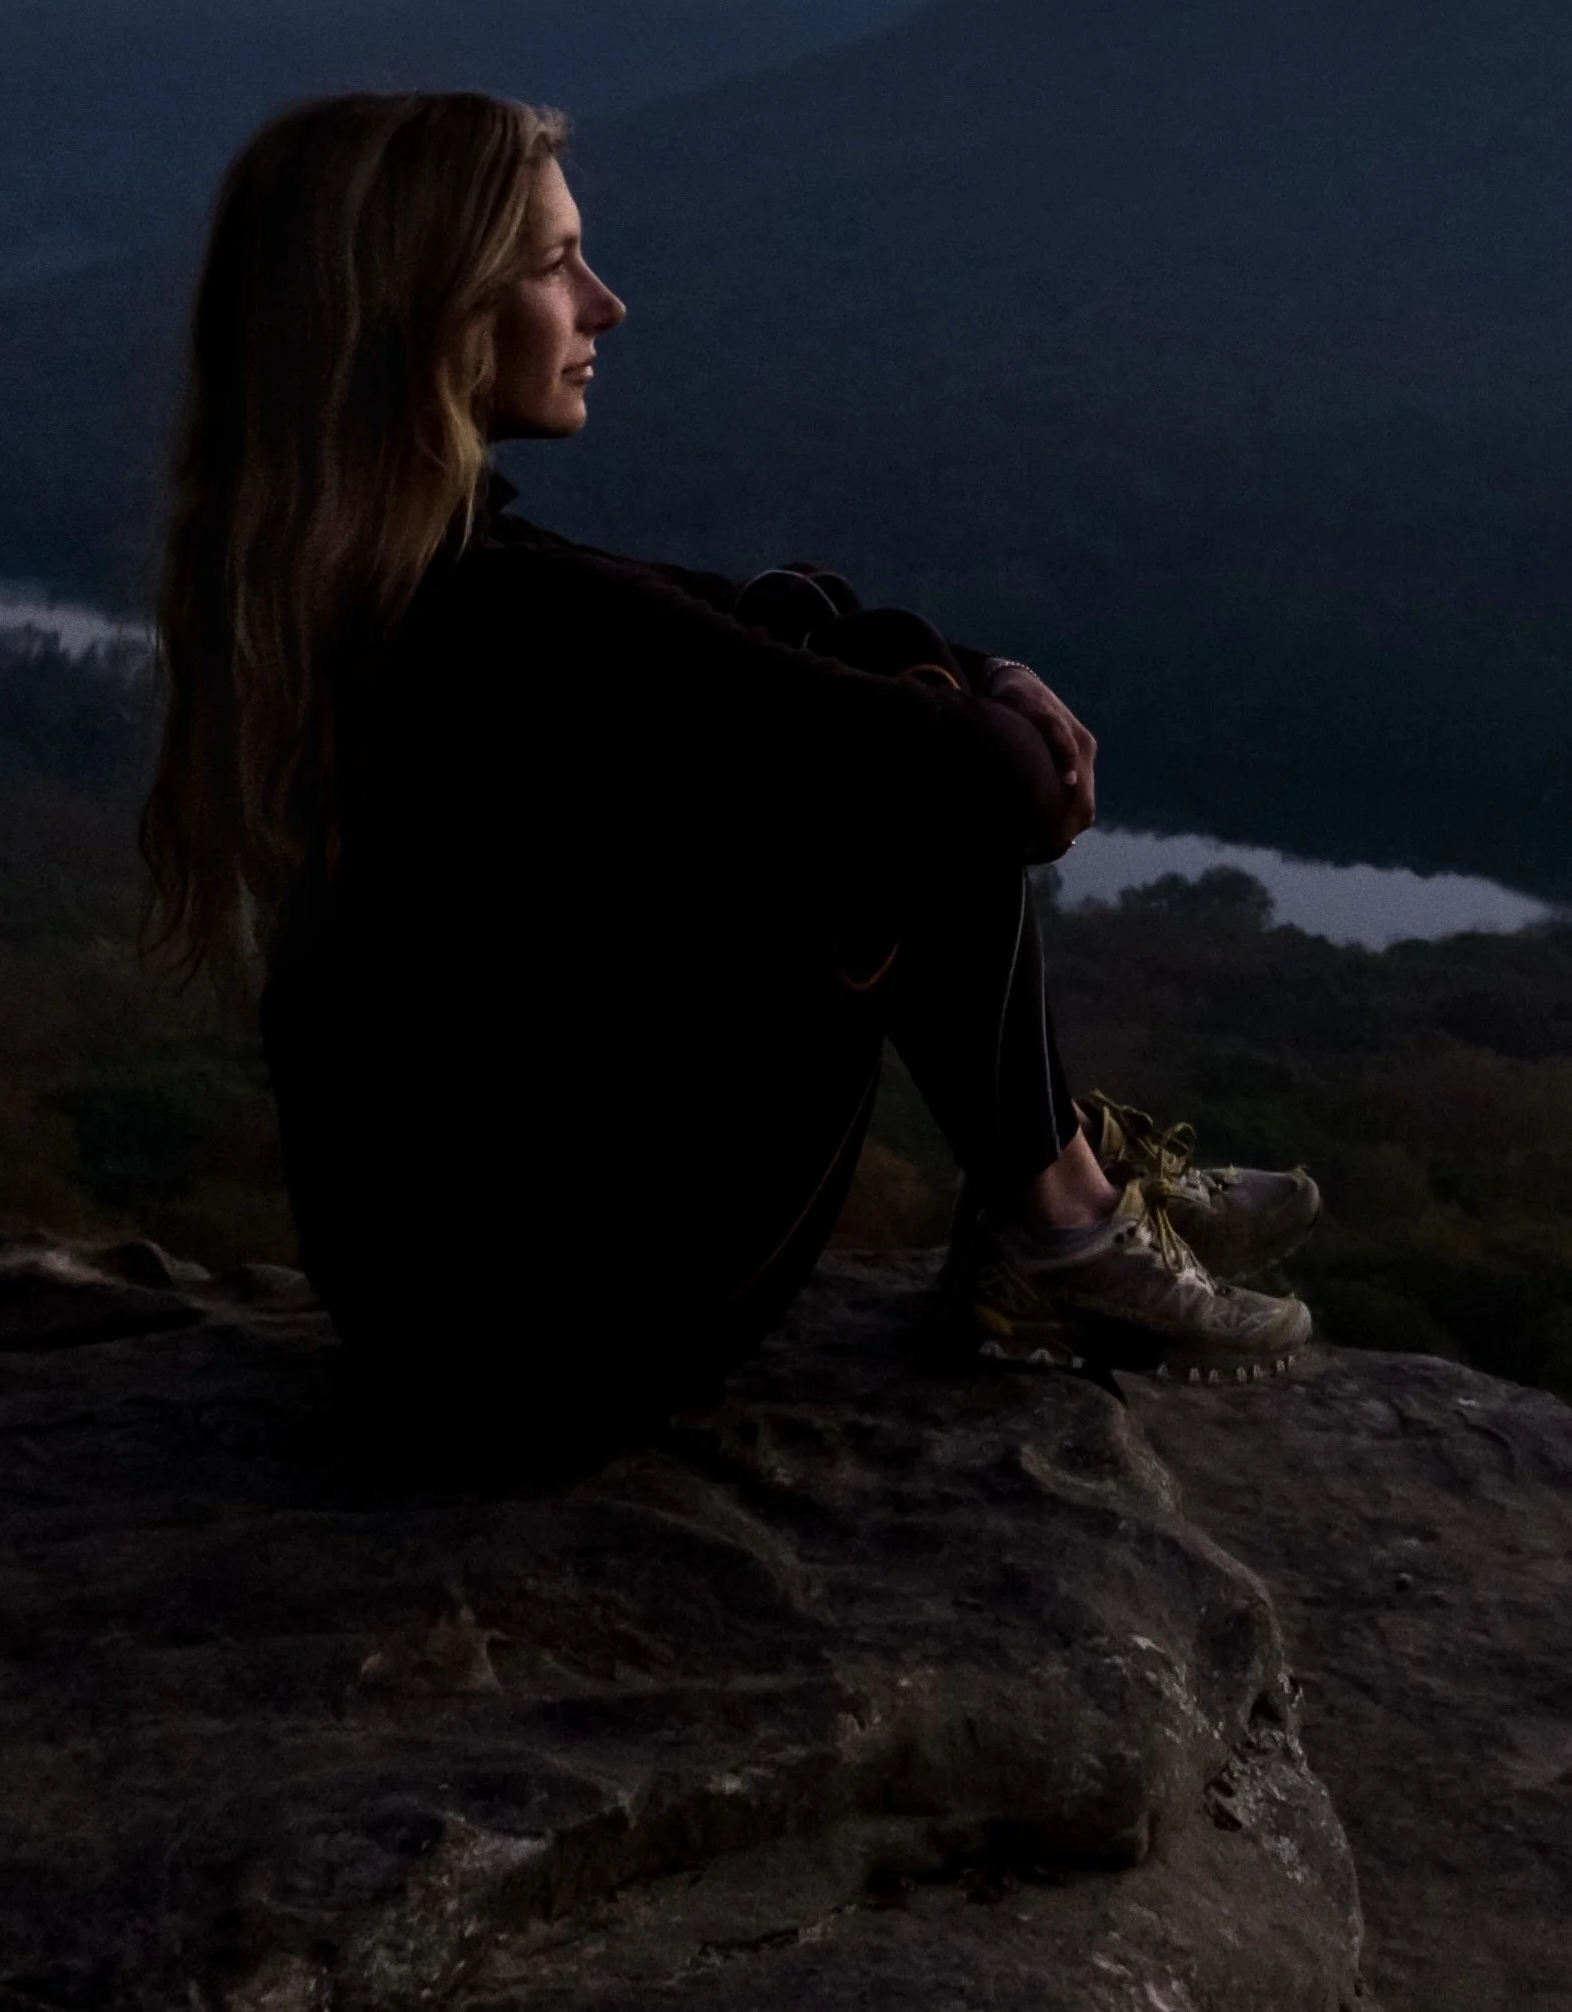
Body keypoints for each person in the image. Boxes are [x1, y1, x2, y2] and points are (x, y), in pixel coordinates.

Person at [141, 90, 1315, 1450]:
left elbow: (714, 622)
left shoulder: (350, 593)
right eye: (550, 263)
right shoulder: (503, 622)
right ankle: (1060, 1225)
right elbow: (986, 792)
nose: (606, 303)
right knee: (895, 763)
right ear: (423, 312)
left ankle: (1064, 1192)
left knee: (845, 707)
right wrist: (959, 680)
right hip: (584, 1338)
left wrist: (940, 659)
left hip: (430, 1315)